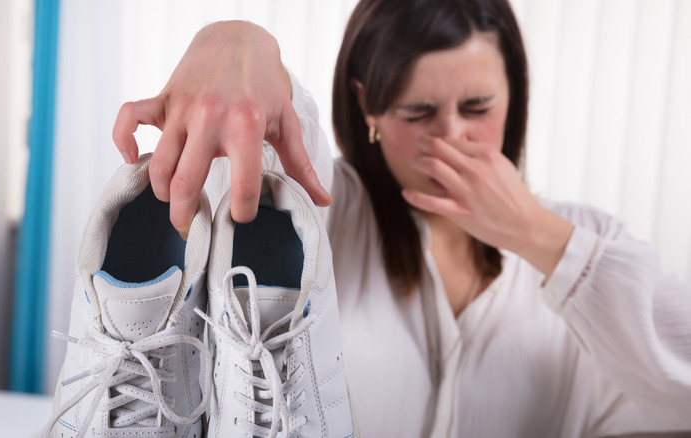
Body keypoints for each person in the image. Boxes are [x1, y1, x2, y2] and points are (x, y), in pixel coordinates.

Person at [112, 0, 691, 436]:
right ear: (370, 108)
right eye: (418, 112)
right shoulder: (332, 212)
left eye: (477, 107)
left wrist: (540, 238)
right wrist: (236, 41)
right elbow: (282, 135)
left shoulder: (587, 241)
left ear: (513, 96)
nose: (452, 136)